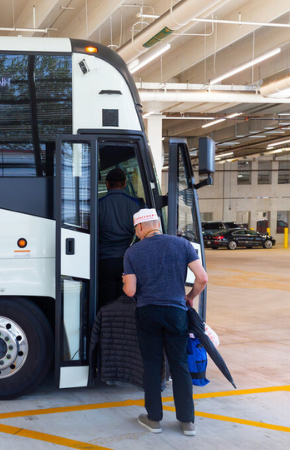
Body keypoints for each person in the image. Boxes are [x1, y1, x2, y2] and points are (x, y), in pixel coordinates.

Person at [122, 209, 208, 437]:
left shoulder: (132, 252)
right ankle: (188, 422)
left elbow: (130, 291)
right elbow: (202, 278)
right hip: (176, 313)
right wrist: (190, 297)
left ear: (139, 228)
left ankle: (154, 419)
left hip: (148, 313)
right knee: (179, 365)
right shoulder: (182, 245)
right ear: (157, 223)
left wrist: (124, 283)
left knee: (151, 365)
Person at [97, 168, 143, 307]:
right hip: (127, 261)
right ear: (124, 183)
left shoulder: (98, 204)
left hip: (105, 261)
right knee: (125, 302)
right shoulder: (135, 204)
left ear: (107, 184)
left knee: (106, 302)